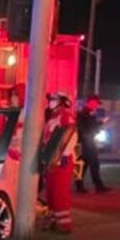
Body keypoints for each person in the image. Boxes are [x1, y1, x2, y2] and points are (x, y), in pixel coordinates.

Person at [41, 93, 77, 232]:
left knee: (59, 192)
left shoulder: (66, 116)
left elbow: (70, 136)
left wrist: (63, 156)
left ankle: (64, 225)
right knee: (51, 192)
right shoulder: (53, 118)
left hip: (62, 160)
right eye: (50, 99)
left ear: (62, 102)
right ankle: (53, 220)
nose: (51, 102)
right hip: (52, 159)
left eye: (54, 100)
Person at [75, 94, 110, 193]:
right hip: (86, 142)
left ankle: (80, 185)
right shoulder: (84, 114)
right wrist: (100, 123)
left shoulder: (87, 113)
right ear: (91, 102)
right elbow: (87, 128)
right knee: (93, 163)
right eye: (96, 103)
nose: (97, 106)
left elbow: (90, 127)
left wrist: (99, 123)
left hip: (85, 141)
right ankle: (98, 185)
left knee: (84, 164)